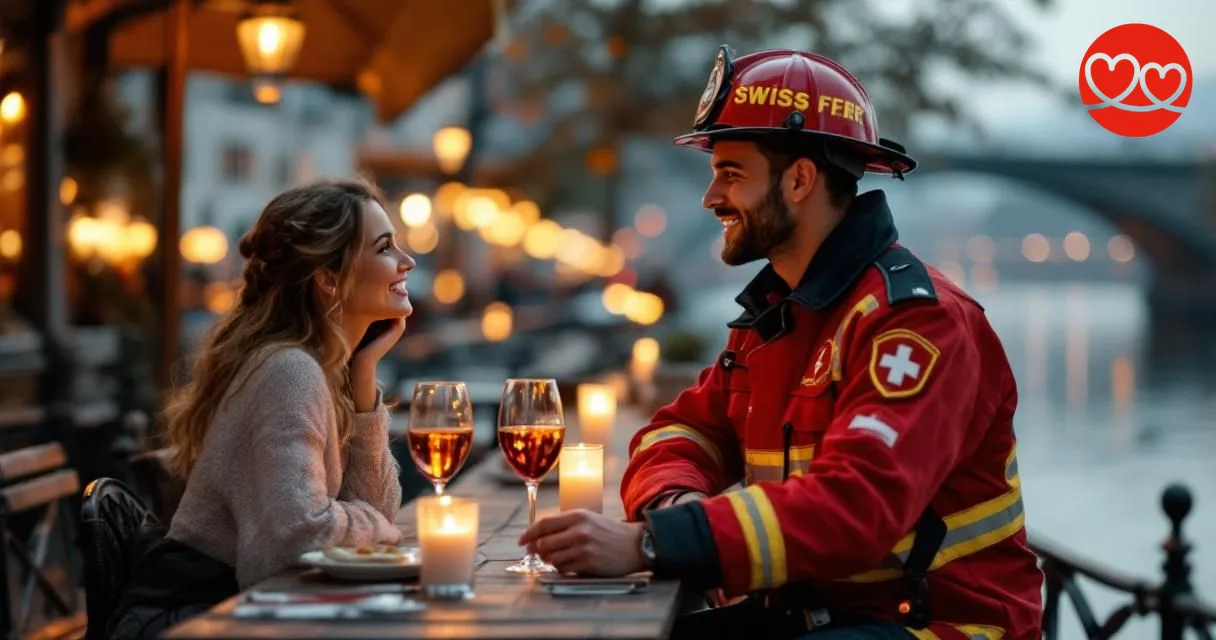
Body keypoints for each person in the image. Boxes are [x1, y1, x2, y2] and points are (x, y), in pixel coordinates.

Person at [518, 46, 1044, 639]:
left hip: (938, 627)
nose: (710, 198)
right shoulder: (775, 319)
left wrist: (651, 543)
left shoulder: (917, 323)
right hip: (820, 616)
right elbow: (678, 432)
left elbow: (855, 508)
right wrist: (674, 510)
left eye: (731, 173)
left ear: (799, 180)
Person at [109, 177, 413, 639]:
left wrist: (365, 370)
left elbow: (374, 512)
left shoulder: (319, 369)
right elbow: (294, 542)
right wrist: (375, 527)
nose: (407, 262)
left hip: (237, 610)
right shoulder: (290, 372)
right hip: (188, 620)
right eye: (386, 247)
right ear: (329, 279)